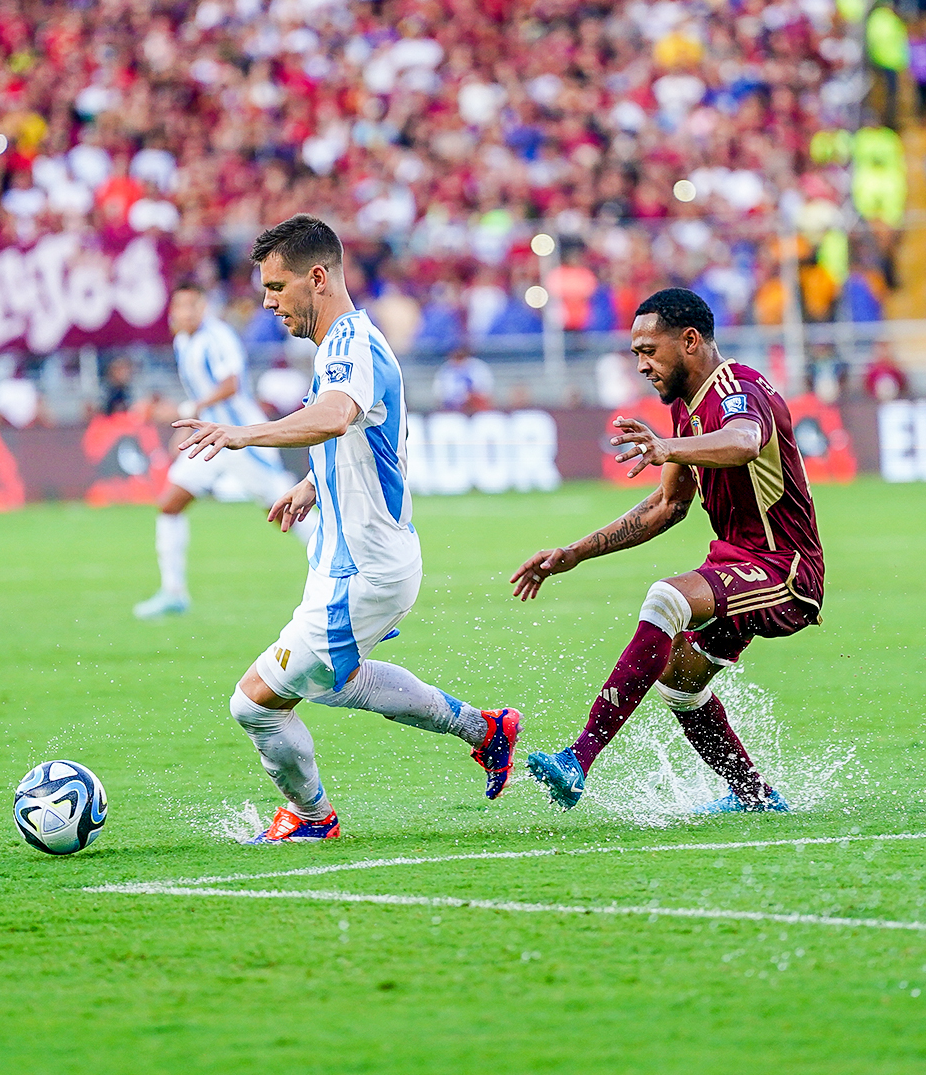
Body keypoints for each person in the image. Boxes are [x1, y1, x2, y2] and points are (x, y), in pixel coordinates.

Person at [174, 214, 521, 843]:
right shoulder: (345, 343)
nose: (268, 303)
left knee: (253, 704)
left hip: (362, 568)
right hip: (355, 558)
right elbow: (369, 433)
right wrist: (312, 487)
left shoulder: (349, 346)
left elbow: (334, 416)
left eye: (277, 288)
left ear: (317, 277)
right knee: (337, 683)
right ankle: (486, 730)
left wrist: (241, 432)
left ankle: (312, 818)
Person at [512, 288, 824, 814]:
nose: (641, 365)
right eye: (636, 353)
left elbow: (745, 440)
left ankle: (577, 759)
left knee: (666, 599)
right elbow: (666, 506)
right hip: (738, 563)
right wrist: (575, 553)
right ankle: (756, 796)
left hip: (784, 570)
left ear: (691, 341)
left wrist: (666, 448)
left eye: (649, 350)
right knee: (679, 683)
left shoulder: (737, 389)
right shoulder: (687, 408)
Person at [133, 281, 311, 620]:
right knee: (169, 503)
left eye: (190, 307)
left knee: (283, 509)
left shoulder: (219, 337)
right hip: (209, 437)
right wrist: (192, 419)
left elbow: (231, 385)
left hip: (241, 439)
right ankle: (173, 593)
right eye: (178, 308)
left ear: (202, 308)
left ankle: (341, 565)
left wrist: (189, 408)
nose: (183, 314)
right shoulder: (183, 341)